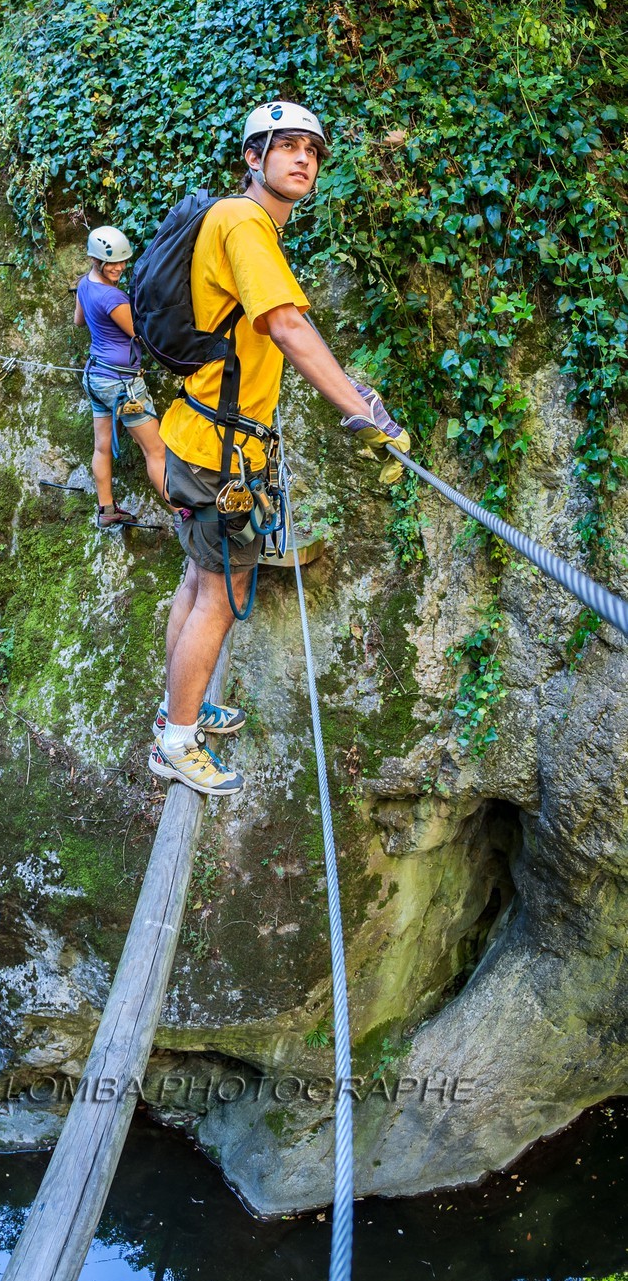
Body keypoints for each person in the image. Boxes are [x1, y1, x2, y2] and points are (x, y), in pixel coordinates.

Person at [150, 101, 411, 797]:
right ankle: (176, 740)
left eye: (312, 150)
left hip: (199, 433)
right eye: (286, 146)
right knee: (219, 591)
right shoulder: (242, 221)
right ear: (252, 157)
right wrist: (363, 414)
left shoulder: (240, 222)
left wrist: (356, 393)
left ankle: (182, 705)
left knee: (196, 582)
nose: (303, 159)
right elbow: (287, 325)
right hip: (218, 451)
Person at [74, 225, 167, 529]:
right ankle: (183, 514)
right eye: (110, 263)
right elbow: (140, 334)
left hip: (96, 377)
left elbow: (78, 321)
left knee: (102, 446)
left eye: (122, 261)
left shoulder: (85, 285)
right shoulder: (113, 298)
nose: (118, 268)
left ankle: (106, 509)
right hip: (122, 383)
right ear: (95, 259)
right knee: (155, 450)